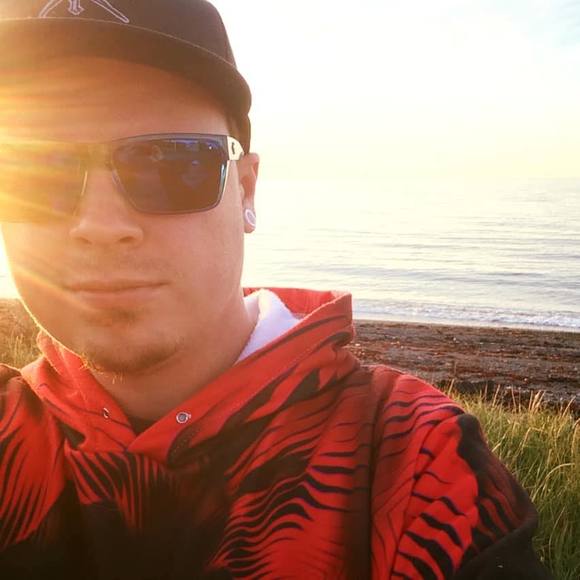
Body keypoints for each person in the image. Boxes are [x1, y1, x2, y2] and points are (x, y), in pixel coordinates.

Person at [0, 1, 552, 578]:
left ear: (245, 190)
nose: (100, 225)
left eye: (169, 163)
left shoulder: (415, 461)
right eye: (33, 173)